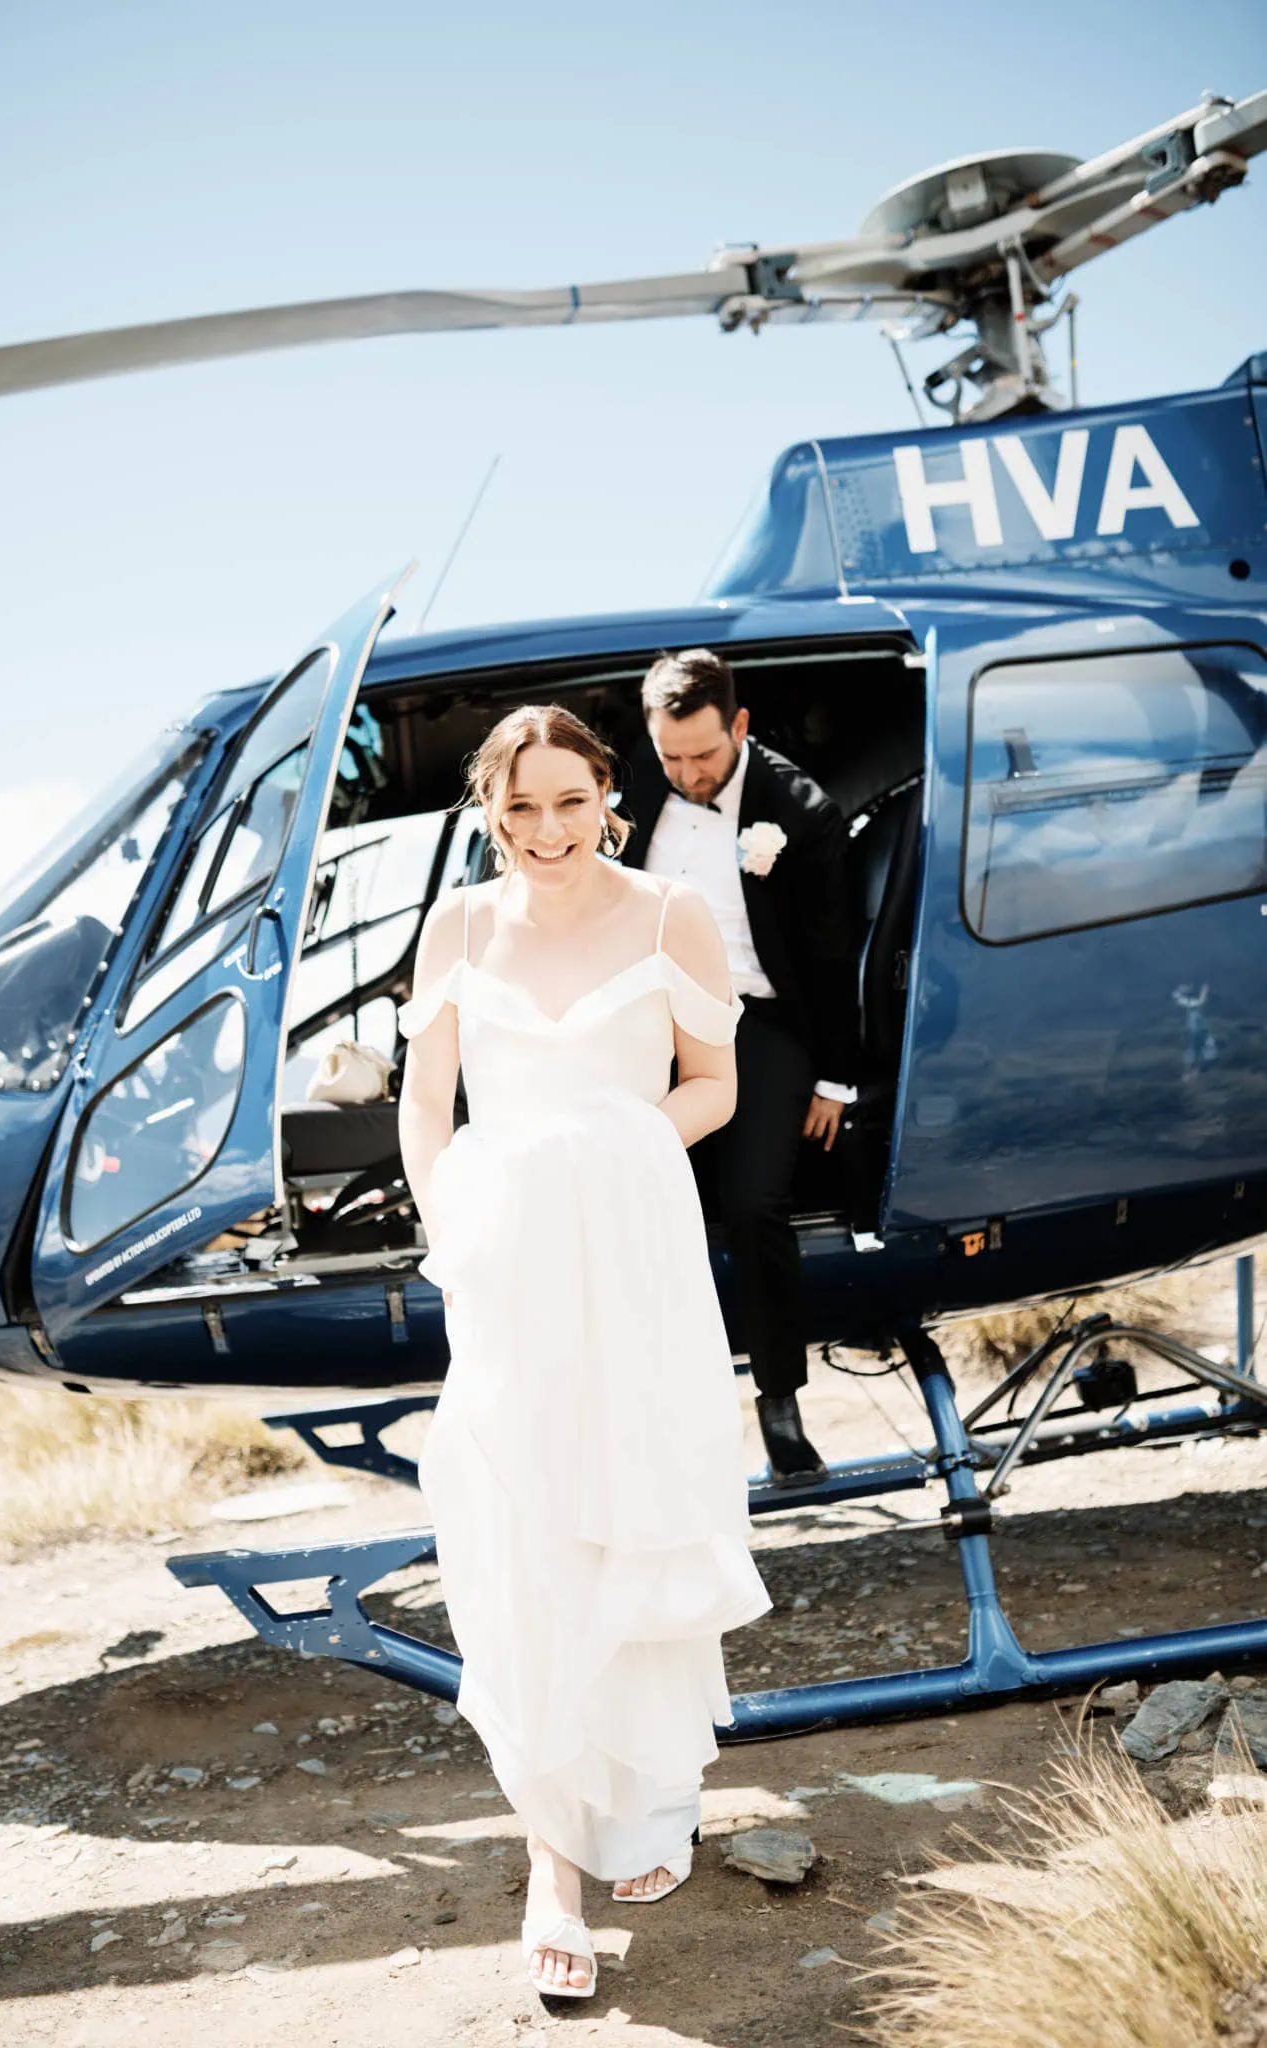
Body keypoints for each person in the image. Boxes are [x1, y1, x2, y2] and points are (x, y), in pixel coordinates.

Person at [397, 704, 771, 2001]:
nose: (545, 831)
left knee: (636, 1511)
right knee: (521, 1535)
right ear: (487, 810)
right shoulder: (455, 928)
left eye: (569, 802)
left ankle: (650, 1803)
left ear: (606, 793)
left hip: (631, 1252)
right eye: (519, 808)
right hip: (507, 1270)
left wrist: (605, 1151)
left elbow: (712, 1084)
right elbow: (423, 1107)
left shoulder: (670, 911)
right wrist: (467, 1225)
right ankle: (553, 1867)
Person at [622, 647, 860, 1486]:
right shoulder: (634, 791)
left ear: (741, 727)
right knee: (633, 1203)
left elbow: (832, 957)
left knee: (755, 1204)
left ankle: (780, 1404)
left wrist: (835, 1077)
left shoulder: (800, 812)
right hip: (651, 1024)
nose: (686, 774)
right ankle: (654, 1414)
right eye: (670, 757)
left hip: (760, 1021)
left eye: (704, 755)